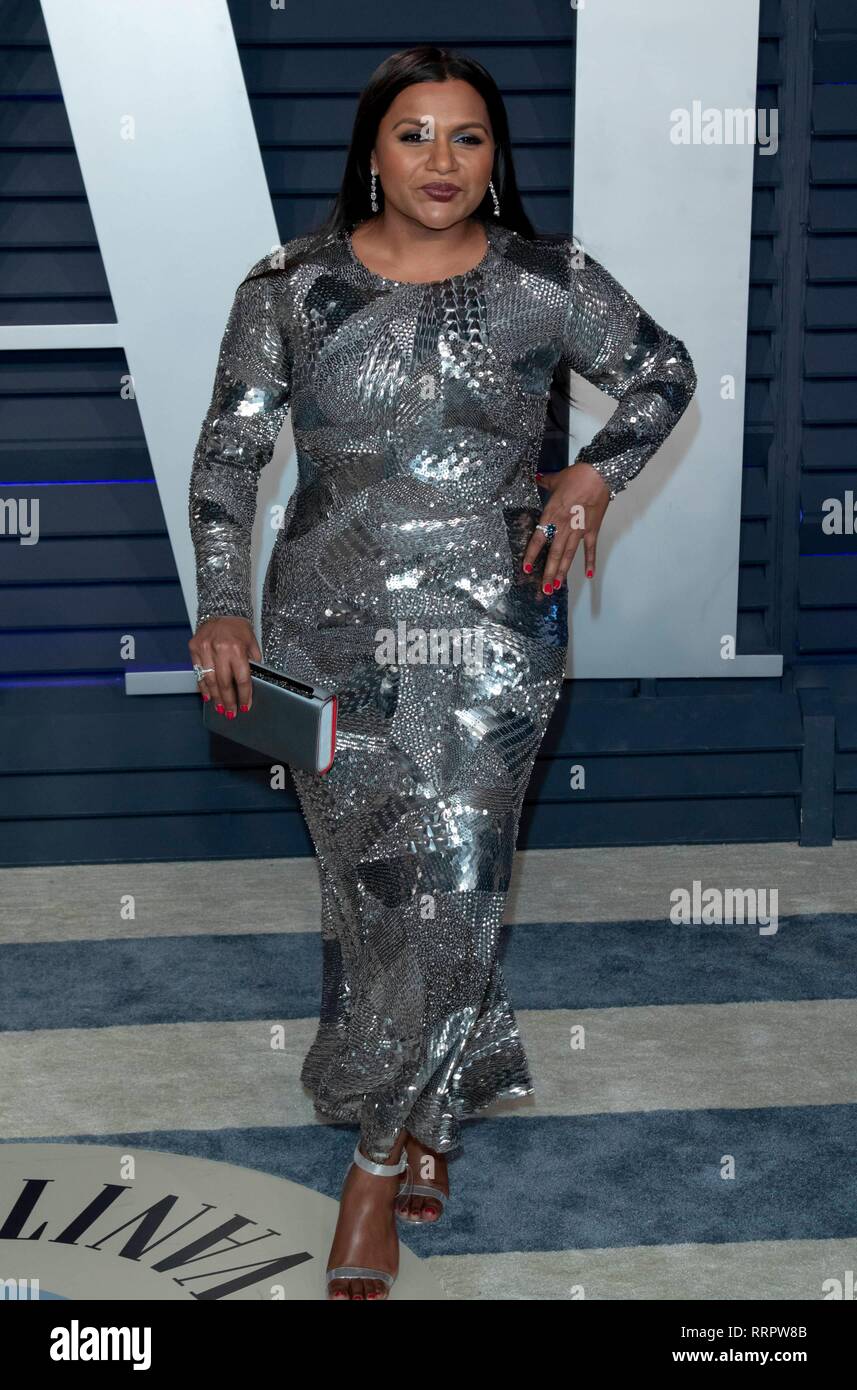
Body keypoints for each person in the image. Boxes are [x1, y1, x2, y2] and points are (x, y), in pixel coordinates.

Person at [187, 44, 697, 1300]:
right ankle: (437, 1094)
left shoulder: (544, 281)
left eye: (467, 139)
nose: (440, 163)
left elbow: (664, 370)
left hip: (493, 635)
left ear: (495, 157)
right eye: (414, 136)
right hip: (324, 633)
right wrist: (219, 610)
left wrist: (592, 473)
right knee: (374, 894)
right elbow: (227, 462)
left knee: (462, 882)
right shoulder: (291, 287)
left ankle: (371, 1167)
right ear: (373, 148)